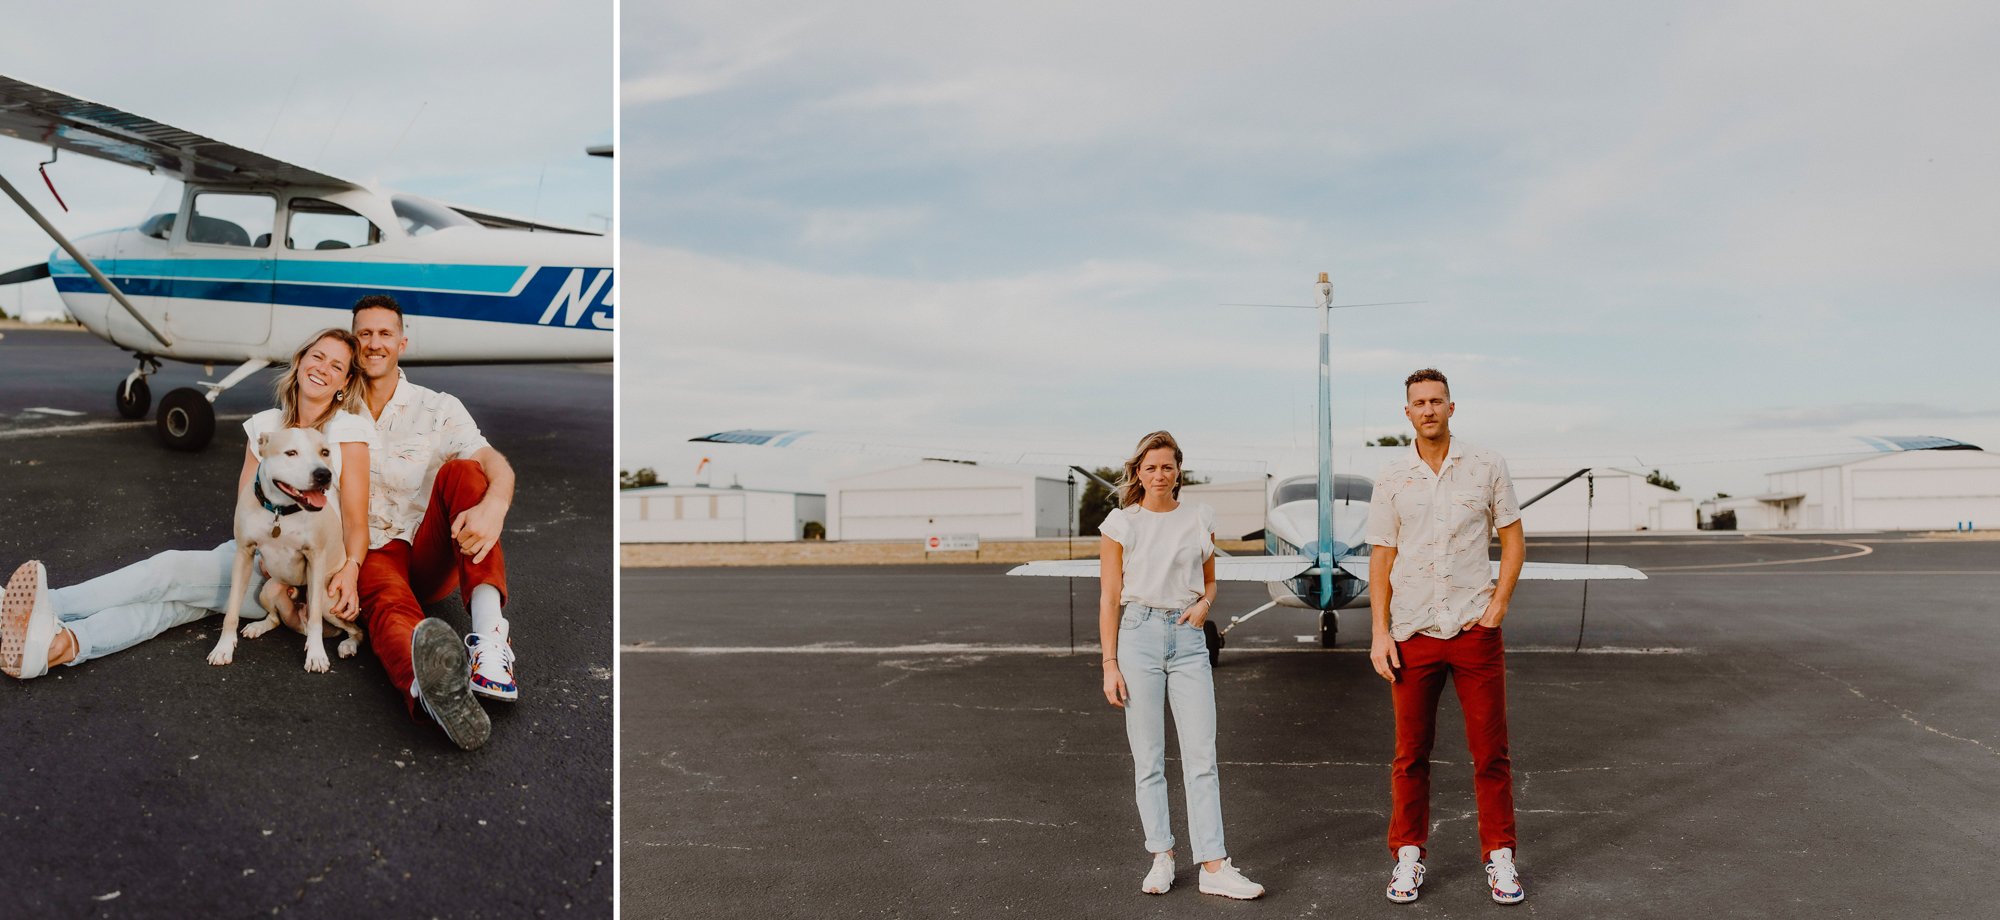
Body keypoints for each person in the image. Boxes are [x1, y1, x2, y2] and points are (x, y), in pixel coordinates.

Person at [1, 329, 375, 679]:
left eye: (336, 366)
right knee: (175, 602)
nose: (322, 369)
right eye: (318, 356)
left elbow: (356, 522)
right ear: (300, 361)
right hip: (253, 554)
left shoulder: (347, 432)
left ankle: (43, 607)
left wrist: (350, 571)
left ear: (345, 382)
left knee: (170, 575)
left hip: (298, 572)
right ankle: (57, 647)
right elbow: (248, 504)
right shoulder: (264, 426)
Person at [1365, 368, 1527, 905]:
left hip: (1474, 628)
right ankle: (1408, 856)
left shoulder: (1486, 466)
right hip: (1413, 632)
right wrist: (1379, 632)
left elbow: (1511, 535)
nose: (1428, 409)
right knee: (1410, 753)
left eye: (1437, 401)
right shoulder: (1391, 477)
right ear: (1406, 412)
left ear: (1452, 408)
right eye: (1419, 402)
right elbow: (1382, 555)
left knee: (1490, 753)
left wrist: (1497, 606)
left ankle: (1500, 857)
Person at [348, 294, 518, 752]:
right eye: (364, 333)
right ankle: (431, 693)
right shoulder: (335, 410)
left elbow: (493, 462)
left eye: (384, 333)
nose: (374, 343)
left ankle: (488, 642)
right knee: (389, 606)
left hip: (428, 549)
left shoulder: (437, 406)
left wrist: (495, 506)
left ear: (402, 341)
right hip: (370, 550)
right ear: (354, 341)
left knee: (465, 473)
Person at [1098, 430, 1264, 900]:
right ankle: (1161, 856)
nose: (1158, 474)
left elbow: (1210, 581)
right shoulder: (1119, 523)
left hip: (1189, 639)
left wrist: (1205, 604)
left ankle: (1214, 864)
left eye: (1167, 466)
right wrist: (1110, 662)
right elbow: (1110, 597)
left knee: (1201, 757)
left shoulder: (1198, 518)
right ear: (1138, 472)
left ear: (1178, 472)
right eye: (1150, 467)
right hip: (1137, 638)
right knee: (1148, 758)